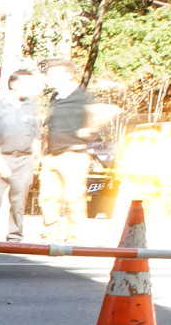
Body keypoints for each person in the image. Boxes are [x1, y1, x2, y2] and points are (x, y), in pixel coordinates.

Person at [39, 58, 116, 239]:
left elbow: (106, 111)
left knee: (74, 199)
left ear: (67, 75)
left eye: (52, 75)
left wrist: (89, 128)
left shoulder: (81, 96)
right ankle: (50, 235)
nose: (49, 78)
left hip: (73, 155)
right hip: (52, 154)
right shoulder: (55, 98)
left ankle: (75, 237)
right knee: (47, 198)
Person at [0, 66, 41, 241]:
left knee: (18, 201)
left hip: (24, 160)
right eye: (25, 82)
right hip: (2, 158)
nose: (30, 87)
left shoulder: (31, 107)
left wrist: (36, 161)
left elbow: (36, 136)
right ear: (13, 84)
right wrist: (0, 164)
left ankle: (15, 236)